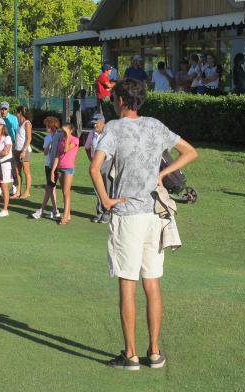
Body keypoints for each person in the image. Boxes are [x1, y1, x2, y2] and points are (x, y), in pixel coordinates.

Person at [89, 78, 198, 370]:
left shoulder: (113, 128)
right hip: (155, 213)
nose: (113, 102)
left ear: (122, 100)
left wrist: (106, 200)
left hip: (128, 215)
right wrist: (163, 176)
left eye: (114, 98)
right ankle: (155, 352)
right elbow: (190, 152)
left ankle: (131, 354)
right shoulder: (154, 125)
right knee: (152, 283)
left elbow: (94, 167)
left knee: (128, 283)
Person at [31, 115, 61, 220]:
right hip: (48, 164)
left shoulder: (60, 135)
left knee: (50, 187)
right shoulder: (47, 137)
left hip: (57, 165)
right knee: (51, 188)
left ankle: (43, 210)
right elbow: (45, 153)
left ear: (52, 125)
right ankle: (54, 210)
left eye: (47, 125)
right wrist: (49, 144)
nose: (46, 127)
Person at [50, 123, 79, 225]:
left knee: (66, 192)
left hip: (68, 169)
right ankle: (68, 213)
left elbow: (66, 149)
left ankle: (65, 217)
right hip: (60, 168)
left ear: (70, 131)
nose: (63, 133)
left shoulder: (75, 140)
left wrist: (67, 137)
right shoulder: (61, 140)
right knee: (64, 192)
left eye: (65, 131)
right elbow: (57, 156)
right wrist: (53, 171)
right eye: (62, 131)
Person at [84, 112, 110, 224]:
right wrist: (91, 160)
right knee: (97, 189)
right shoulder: (92, 133)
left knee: (108, 188)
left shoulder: (109, 133)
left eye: (96, 123)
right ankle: (100, 212)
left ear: (103, 122)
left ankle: (108, 213)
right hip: (96, 165)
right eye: (93, 123)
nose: (94, 126)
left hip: (107, 163)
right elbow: (86, 147)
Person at [13, 105, 32, 199]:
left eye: (17, 112)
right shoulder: (19, 123)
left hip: (25, 150)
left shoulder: (27, 123)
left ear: (20, 113)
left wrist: (24, 151)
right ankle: (18, 191)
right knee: (17, 172)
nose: (16, 114)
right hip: (17, 149)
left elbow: (29, 139)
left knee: (26, 171)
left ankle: (27, 191)